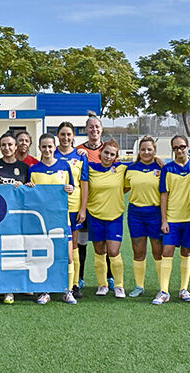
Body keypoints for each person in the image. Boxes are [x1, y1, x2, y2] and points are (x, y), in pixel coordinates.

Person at [28, 134, 77, 305]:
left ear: (55, 147)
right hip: (42, 220)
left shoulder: (64, 166)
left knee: (68, 256)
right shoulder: (33, 169)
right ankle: (45, 291)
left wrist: (70, 189)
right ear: (39, 148)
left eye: (50, 146)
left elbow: (72, 188)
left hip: (62, 219)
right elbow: (30, 196)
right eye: (44, 147)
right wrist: (29, 188)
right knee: (43, 256)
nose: (47, 150)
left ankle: (68, 291)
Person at [0, 132, 30, 305]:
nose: (7, 148)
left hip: (15, 218)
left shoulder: (23, 167)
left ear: (16, 146)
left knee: (12, 253)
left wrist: (26, 187)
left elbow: (30, 191)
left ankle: (10, 289)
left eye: (10, 144)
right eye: (3, 145)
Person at [154, 135, 190, 305]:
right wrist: (164, 220)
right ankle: (164, 291)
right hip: (172, 218)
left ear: (188, 147)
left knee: (187, 252)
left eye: (182, 146)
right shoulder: (168, 168)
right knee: (167, 252)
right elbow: (163, 196)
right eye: (176, 148)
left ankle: (183, 289)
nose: (179, 150)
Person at [86, 139, 128, 298]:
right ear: (100, 152)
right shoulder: (90, 168)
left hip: (115, 216)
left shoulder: (121, 168)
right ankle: (102, 284)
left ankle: (119, 285)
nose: (108, 157)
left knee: (113, 251)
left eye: (112, 154)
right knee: (99, 251)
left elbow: (141, 166)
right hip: (94, 215)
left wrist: (158, 160)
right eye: (106, 152)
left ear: (116, 157)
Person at [124, 136, 164, 298]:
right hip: (136, 214)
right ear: (138, 152)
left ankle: (163, 286)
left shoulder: (162, 168)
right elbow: (123, 188)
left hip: (155, 214)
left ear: (154, 151)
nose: (146, 152)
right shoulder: (131, 169)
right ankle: (139, 286)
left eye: (149, 149)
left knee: (158, 252)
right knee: (139, 252)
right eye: (143, 149)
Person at [76, 114, 111, 290]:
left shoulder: (109, 150)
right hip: (84, 204)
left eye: (97, 127)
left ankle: (109, 277)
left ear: (101, 129)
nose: (94, 130)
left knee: (105, 244)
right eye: (91, 127)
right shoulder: (79, 151)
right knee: (81, 242)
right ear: (86, 130)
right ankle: (80, 277)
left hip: (104, 206)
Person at [54, 122, 89, 298]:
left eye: (69, 134)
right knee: (55, 245)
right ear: (58, 136)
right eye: (62, 134)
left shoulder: (81, 156)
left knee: (73, 247)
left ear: (74, 136)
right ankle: (55, 281)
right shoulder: (51, 153)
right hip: (54, 208)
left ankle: (74, 284)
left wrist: (83, 209)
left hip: (74, 206)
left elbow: (84, 184)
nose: (66, 138)